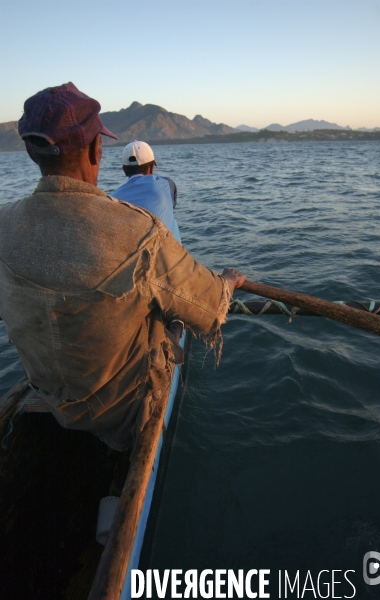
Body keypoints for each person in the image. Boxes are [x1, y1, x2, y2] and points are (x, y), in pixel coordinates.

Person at [0, 82, 246, 451]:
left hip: (50, 397)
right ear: (97, 149)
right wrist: (227, 281)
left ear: (32, 153)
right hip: (122, 409)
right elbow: (210, 310)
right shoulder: (139, 231)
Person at [112, 140, 180, 240]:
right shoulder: (167, 184)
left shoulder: (113, 198)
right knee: (172, 221)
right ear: (152, 167)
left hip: (132, 252)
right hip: (168, 253)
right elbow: (171, 205)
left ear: (124, 170)